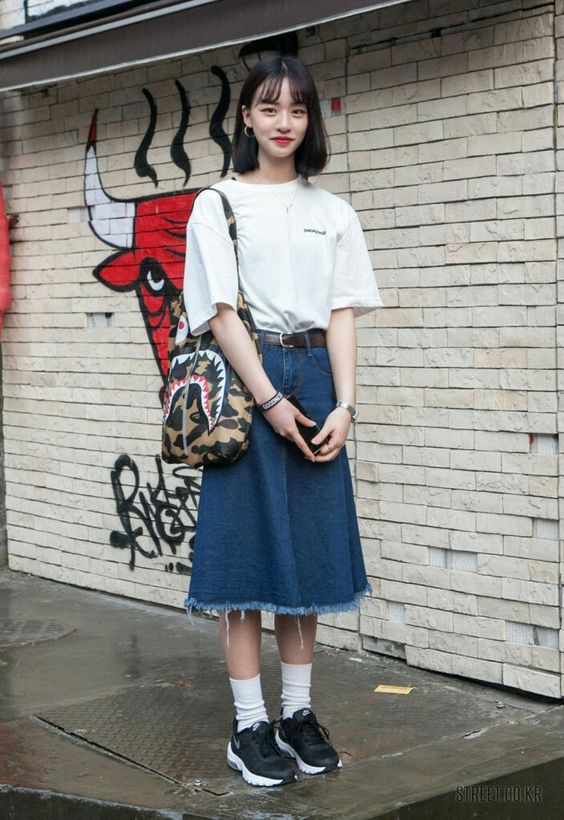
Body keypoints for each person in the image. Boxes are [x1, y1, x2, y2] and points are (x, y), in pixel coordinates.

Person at [182, 55, 383, 788]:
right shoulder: (218, 203)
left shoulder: (334, 213)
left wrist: (346, 405)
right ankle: (249, 726)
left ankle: (297, 715)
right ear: (245, 117)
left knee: (310, 556)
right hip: (248, 382)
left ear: (309, 119)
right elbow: (221, 314)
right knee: (244, 560)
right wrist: (269, 400)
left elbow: (341, 313)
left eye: (297, 110)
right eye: (269, 108)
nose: (283, 122)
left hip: (318, 376)